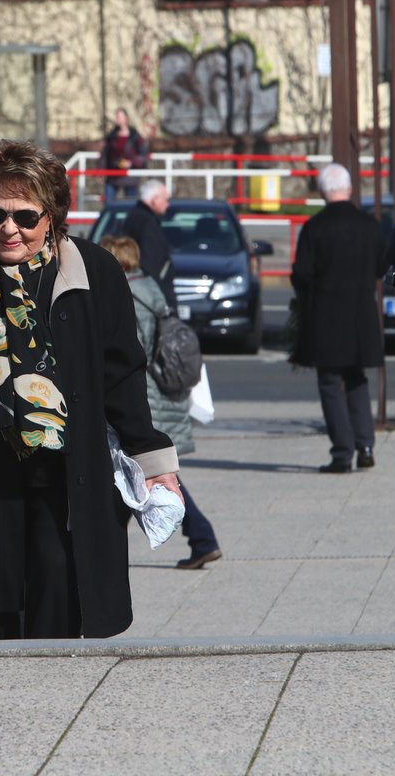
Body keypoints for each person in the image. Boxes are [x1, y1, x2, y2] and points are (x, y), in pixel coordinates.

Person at [0, 140, 181, 641]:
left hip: (67, 481)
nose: (9, 229)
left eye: (25, 217)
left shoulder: (94, 271)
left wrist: (157, 467)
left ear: (53, 217)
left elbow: (122, 376)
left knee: (59, 614)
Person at [99, 234, 222, 570]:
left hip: (145, 396)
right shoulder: (151, 287)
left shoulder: (128, 295)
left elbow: (127, 352)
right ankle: (104, 550)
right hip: (161, 391)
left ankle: (202, 537)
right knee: (138, 474)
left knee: (150, 473)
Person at [290, 162, 386, 473]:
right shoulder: (369, 225)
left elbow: (301, 275)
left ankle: (342, 453)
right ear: (350, 189)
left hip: (326, 319)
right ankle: (366, 444)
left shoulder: (314, 227)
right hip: (361, 318)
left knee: (330, 384)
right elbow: (382, 267)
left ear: (322, 191)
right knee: (357, 380)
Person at [120, 179, 176, 308]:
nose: (168, 205)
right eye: (166, 200)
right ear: (155, 199)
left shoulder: (132, 217)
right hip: (149, 295)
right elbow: (151, 264)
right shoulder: (148, 223)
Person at [98, 107, 149, 204]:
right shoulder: (111, 136)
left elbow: (143, 155)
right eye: (116, 117)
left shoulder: (135, 136)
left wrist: (131, 163)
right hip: (113, 174)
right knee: (109, 203)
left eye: (119, 116)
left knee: (130, 204)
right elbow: (105, 154)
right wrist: (100, 170)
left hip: (130, 175)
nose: (117, 119)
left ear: (126, 118)